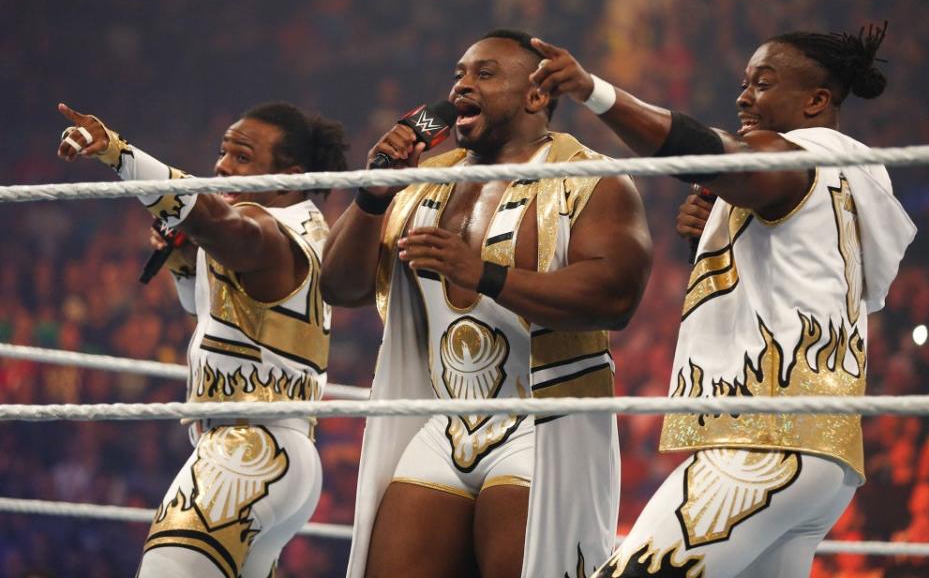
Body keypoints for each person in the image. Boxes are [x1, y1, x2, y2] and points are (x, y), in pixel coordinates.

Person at [529, 24, 917, 578]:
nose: (744, 97)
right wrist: (706, 246)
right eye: (745, 82)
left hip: (765, 445)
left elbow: (702, 152)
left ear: (816, 101)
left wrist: (597, 92)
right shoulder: (845, 180)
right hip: (822, 455)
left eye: (763, 83)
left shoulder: (795, 159)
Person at [321, 29, 653, 578]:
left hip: (541, 424)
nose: (461, 86)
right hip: (444, 422)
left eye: (484, 74)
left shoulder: (590, 178)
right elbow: (340, 287)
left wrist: (485, 275)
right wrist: (373, 192)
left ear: (536, 95)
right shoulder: (419, 181)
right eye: (459, 74)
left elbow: (613, 297)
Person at [56, 101, 348, 578]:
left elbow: (220, 223)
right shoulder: (309, 228)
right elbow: (215, 307)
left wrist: (118, 153)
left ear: (289, 175)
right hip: (279, 454)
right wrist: (184, 261)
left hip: (246, 449)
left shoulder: (269, 231)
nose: (223, 166)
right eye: (223, 152)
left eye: (242, 157)